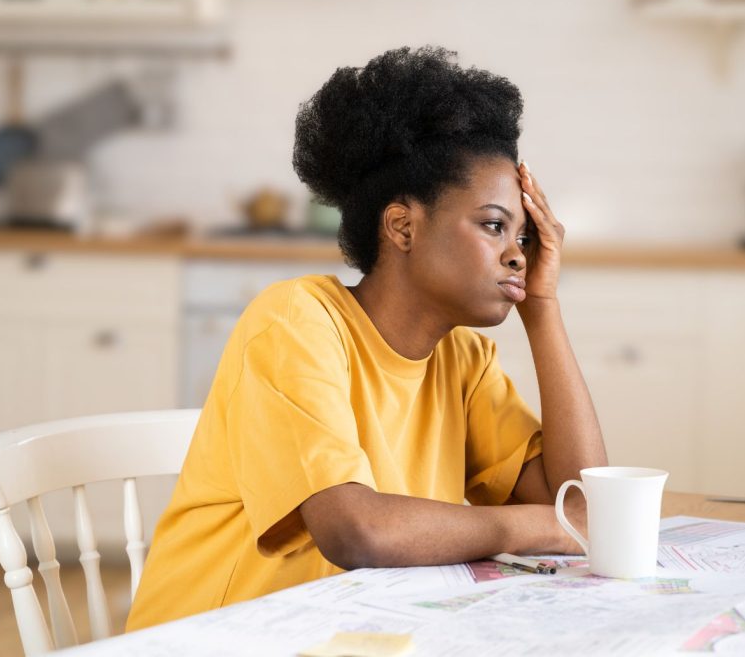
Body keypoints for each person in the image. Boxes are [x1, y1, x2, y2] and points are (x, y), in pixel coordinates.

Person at [126, 46, 607, 631]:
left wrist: (544, 308)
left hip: (345, 634)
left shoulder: (464, 360)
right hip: (216, 637)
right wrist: (533, 526)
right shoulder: (295, 322)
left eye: (525, 237)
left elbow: (580, 505)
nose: (517, 254)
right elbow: (358, 529)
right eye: (493, 225)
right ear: (402, 226)